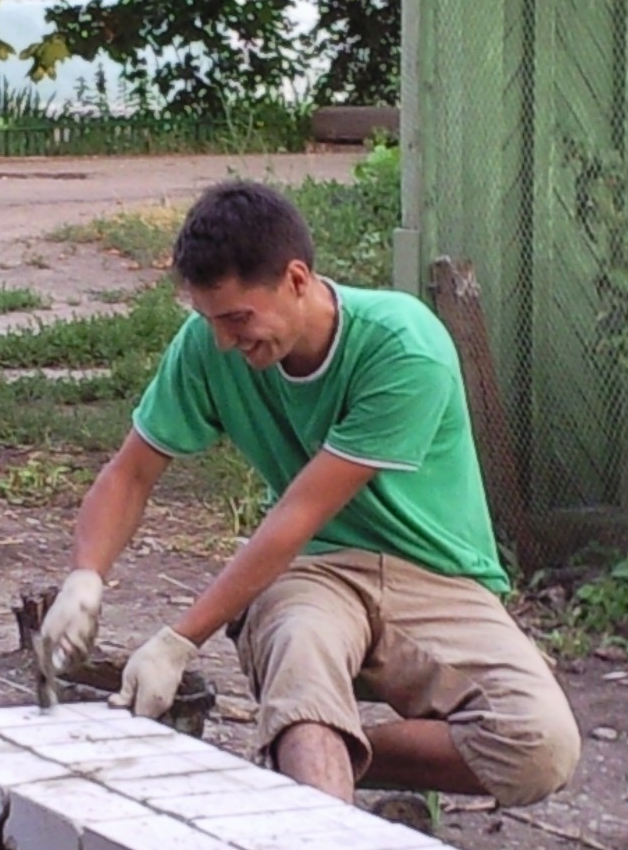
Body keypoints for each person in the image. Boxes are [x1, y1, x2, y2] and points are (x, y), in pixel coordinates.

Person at [40, 180, 580, 806]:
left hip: (436, 580)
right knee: (303, 656)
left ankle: (321, 761)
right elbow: (130, 473)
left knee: (540, 745)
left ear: (297, 279)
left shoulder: (402, 346)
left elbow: (299, 512)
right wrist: (85, 576)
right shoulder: (209, 346)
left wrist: (179, 639)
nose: (223, 342)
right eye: (210, 320)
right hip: (310, 572)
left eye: (238, 318)